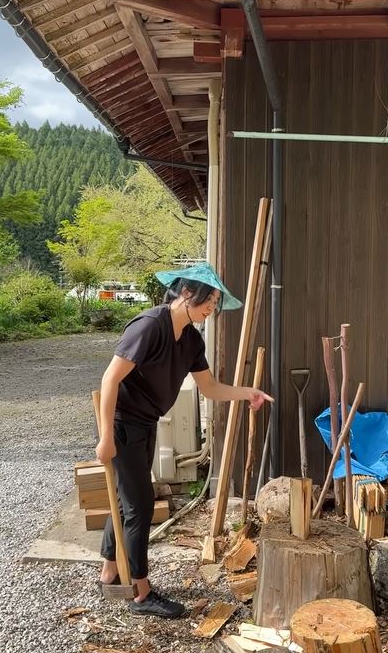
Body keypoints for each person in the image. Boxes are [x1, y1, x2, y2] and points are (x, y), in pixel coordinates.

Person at [95, 262, 273, 619]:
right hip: (121, 423)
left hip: (146, 423)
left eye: (217, 304)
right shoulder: (149, 326)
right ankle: (140, 594)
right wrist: (104, 439)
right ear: (187, 293)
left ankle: (110, 573)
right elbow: (110, 380)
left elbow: (209, 387)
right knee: (139, 505)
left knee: (125, 498)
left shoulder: (191, 338)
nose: (212, 309)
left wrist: (246, 392)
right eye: (210, 300)